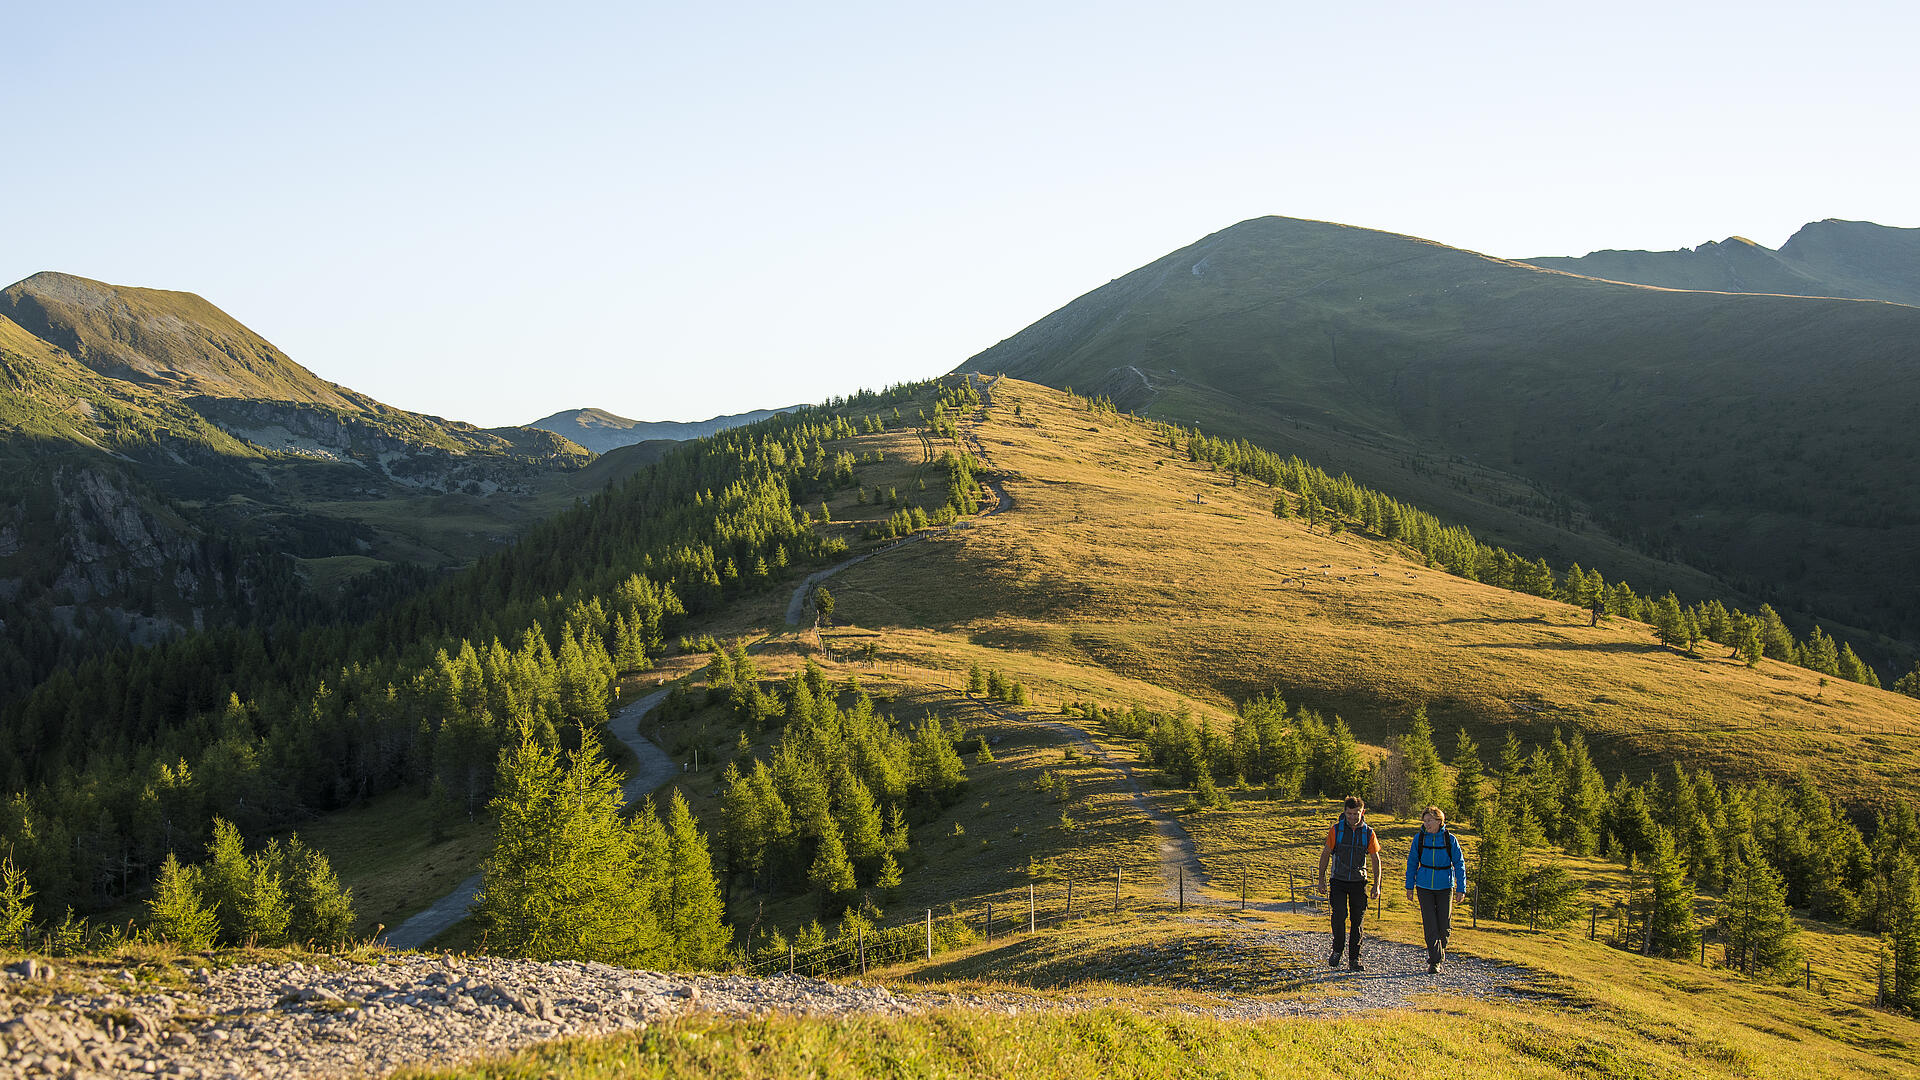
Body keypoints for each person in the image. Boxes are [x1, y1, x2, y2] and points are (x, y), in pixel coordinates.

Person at [1316, 796, 1381, 970]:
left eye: (1356, 813)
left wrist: (1377, 884)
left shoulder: (1369, 833)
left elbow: (1375, 859)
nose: (1352, 817)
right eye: (1349, 813)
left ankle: (1355, 958)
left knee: (1357, 921)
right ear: (1344, 812)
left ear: (1363, 812)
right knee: (1339, 916)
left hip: (1359, 882)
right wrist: (1321, 880)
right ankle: (1337, 950)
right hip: (1338, 880)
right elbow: (1325, 854)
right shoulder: (1336, 830)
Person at [1405, 805, 1468, 974]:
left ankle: (1439, 953)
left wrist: (1461, 888)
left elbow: (1459, 864)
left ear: (1440, 821)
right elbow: (1412, 863)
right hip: (1424, 886)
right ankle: (1435, 961)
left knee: (1444, 926)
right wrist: (1409, 886)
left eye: (1430, 821)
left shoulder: (1450, 839)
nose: (1427, 824)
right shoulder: (1419, 839)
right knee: (1430, 925)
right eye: (1425, 821)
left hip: (1445, 886)